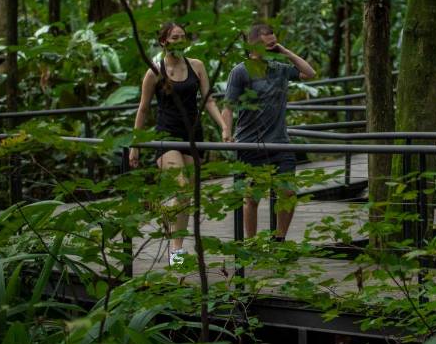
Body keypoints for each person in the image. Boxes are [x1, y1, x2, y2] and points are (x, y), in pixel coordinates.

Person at [130, 21, 229, 267]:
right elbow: (143, 110)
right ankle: (176, 251)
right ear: (164, 41)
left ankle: (164, 214)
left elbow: (208, 101)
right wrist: (135, 145)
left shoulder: (197, 66)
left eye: (183, 37)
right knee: (182, 187)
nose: (180, 41)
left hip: (194, 135)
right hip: (167, 135)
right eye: (175, 37)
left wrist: (224, 127)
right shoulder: (155, 71)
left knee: (187, 196)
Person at [222, 23, 316, 241]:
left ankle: (279, 239)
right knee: (252, 197)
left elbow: (309, 73)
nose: (273, 48)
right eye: (268, 45)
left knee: (288, 192)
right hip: (251, 144)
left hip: (280, 142)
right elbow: (227, 107)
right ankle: (252, 242)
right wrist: (226, 132)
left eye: (274, 44)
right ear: (254, 46)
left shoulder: (279, 68)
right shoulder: (240, 71)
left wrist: (284, 51)